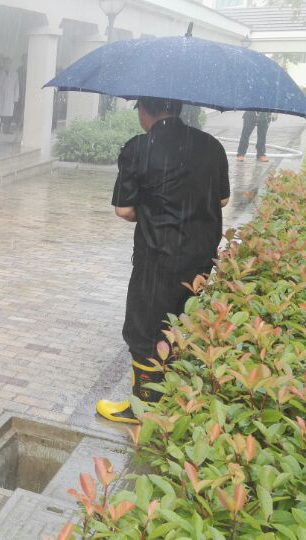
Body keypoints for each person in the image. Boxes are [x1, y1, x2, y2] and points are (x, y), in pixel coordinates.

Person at [97, 97, 230, 424]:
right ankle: (175, 399)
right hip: (200, 259)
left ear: (145, 110)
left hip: (157, 259)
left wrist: (154, 211)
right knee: (181, 326)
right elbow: (223, 199)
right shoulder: (211, 146)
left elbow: (124, 209)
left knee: (144, 330)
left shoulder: (139, 148)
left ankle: (144, 409)